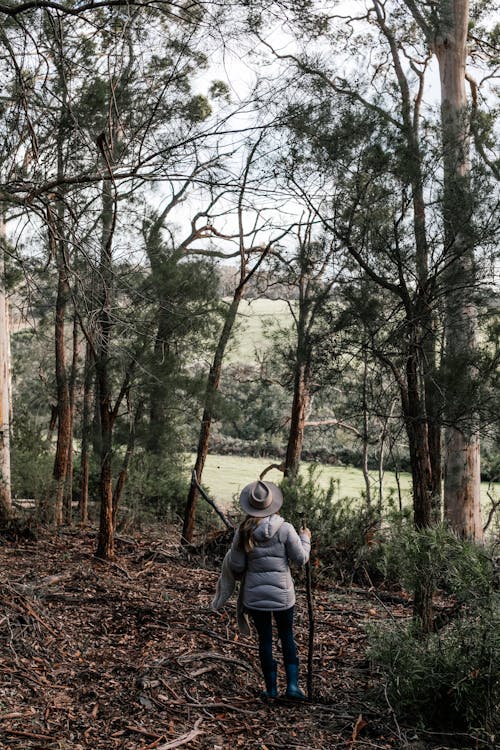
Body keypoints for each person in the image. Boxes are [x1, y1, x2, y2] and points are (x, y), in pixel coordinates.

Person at [228, 478, 311, 700]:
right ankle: (293, 687)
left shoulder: (243, 531)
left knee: (264, 640)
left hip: (255, 596)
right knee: (287, 636)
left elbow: (235, 565)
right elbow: (300, 559)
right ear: (273, 504)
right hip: (283, 596)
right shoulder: (286, 529)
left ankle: (271, 689)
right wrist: (306, 539)